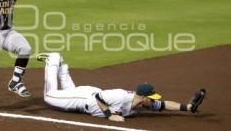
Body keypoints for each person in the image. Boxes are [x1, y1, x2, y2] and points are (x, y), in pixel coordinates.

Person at [36, 52, 206, 122]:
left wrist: (187, 107)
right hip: (84, 99)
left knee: (66, 91)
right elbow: (98, 98)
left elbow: (165, 104)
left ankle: (62, 65)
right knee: (49, 96)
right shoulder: (121, 96)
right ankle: (53, 59)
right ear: (143, 97)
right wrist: (110, 115)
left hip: (87, 94)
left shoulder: (142, 102)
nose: (153, 102)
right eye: (151, 98)